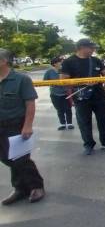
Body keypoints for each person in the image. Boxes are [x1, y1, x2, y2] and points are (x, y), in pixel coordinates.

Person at [0, 48, 45, 205]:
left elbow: (30, 104)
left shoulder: (21, 79)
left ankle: (34, 187)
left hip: (16, 125)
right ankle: (22, 188)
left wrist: (27, 126)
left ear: (3, 61)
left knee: (20, 158)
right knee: (6, 158)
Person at [61, 39, 105, 155]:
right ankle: (88, 144)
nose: (93, 50)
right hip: (81, 97)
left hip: (99, 95)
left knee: (103, 119)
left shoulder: (96, 60)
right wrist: (83, 83)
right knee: (84, 121)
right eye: (91, 48)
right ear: (81, 47)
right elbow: (64, 81)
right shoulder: (69, 62)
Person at [43, 56, 74, 130]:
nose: (62, 63)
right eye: (60, 61)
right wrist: (54, 84)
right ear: (55, 64)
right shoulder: (49, 72)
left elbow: (71, 79)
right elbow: (44, 81)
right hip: (55, 94)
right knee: (59, 109)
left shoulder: (65, 70)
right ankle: (62, 124)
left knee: (68, 109)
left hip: (66, 93)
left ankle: (70, 123)